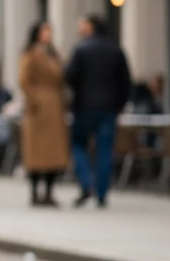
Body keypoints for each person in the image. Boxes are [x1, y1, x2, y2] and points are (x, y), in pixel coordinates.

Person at [66, 14, 132, 208]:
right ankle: (102, 193)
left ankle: (86, 182)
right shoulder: (115, 50)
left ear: (91, 27)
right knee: (105, 150)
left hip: (84, 107)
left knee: (78, 145)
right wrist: (119, 103)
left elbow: (70, 77)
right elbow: (126, 81)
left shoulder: (81, 49)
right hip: (108, 109)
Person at [18, 22, 68, 207]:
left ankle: (48, 192)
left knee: (53, 154)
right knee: (36, 154)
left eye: (50, 32)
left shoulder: (53, 55)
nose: (48, 35)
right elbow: (24, 80)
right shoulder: (30, 54)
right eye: (45, 31)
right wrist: (34, 101)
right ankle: (34, 192)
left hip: (54, 108)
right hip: (37, 110)